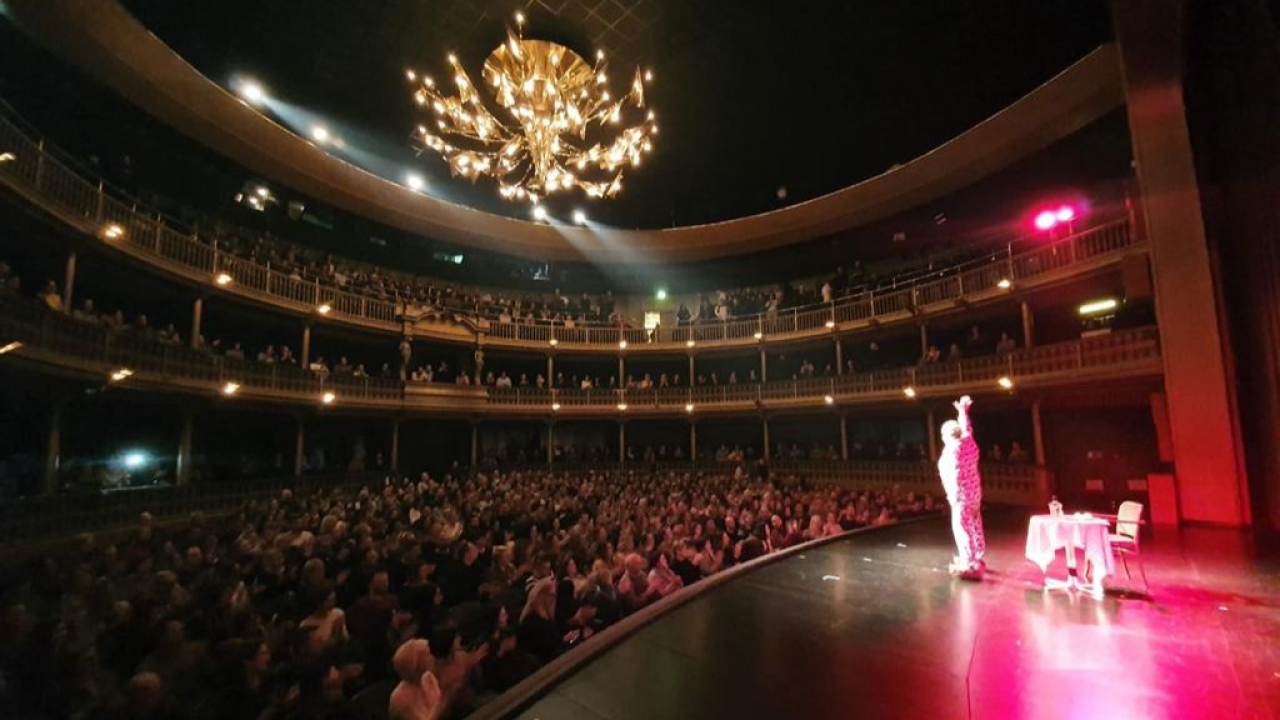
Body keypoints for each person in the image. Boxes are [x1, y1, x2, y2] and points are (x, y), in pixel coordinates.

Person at [938, 395, 985, 579]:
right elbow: (967, 428)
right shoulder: (969, 443)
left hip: (962, 496)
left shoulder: (952, 450)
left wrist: (953, 496)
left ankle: (969, 563)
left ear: (947, 436)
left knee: (962, 528)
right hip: (975, 493)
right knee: (975, 525)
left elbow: (954, 476)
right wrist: (962, 412)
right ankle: (978, 556)